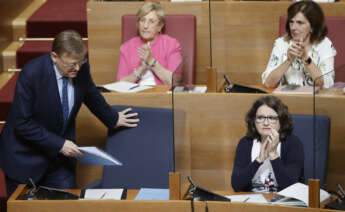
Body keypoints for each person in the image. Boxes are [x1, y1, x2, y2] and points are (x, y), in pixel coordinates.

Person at [0, 30, 139, 197]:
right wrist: (59, 144)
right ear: (54, 57)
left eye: (81, 61)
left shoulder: (80, 67)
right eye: (72, 64)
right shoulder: (31, 74)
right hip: (25, 158)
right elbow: (22, 123)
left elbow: (90, 93)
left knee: (68, 205)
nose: (78, 68)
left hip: (59, 162)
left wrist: (113, 118)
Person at [231, 96, 304, 192]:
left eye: (271, 118)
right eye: (260, 118)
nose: (265, 123)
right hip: (253, 201)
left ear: (281, 121)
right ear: (254, 121)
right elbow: (236, 185)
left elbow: (290, 188)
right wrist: (258, 160)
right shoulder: (245, 143)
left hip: (283, 202)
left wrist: (273, 155)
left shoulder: (292, 143)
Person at [262, 1, 337, 89]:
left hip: (315, 100)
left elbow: (325, 84)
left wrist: (305, 58)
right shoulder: (282, 43)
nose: (293, 27)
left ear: (312, 27)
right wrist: (289, 60)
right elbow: (268, 83)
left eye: (300, 23)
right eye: (291, 22)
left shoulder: (324, 44)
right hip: (287, 98)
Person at [116, 1, 183, 85]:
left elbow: (175, 83)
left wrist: (151, 62)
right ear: (137, 24)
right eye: (142, 20)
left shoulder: (172, 45)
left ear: (160, 26)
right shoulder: (126, 47)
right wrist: (140, 70)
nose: (145, 26)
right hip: (134, 96)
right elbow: (119, 85)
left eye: (151, 21)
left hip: (163, 96)